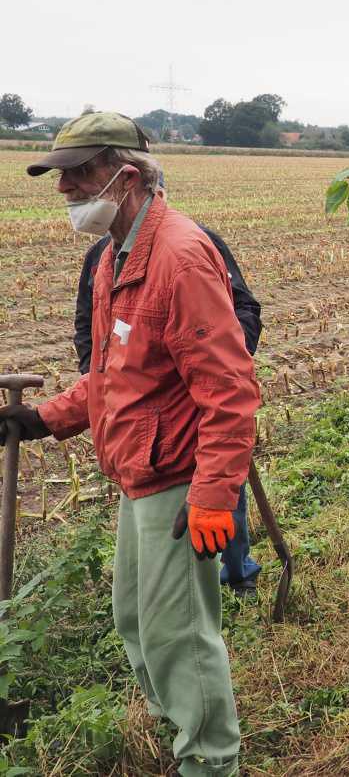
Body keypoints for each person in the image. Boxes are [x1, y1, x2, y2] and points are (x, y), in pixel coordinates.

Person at [0, 112, 258, 776]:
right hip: (138, 475)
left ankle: (209, 762)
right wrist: (46, 419)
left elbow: (229, 390)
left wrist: (212, 496)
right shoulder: (115, 255)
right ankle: (186, 735)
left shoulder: (178, 256)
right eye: (61, 174)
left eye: (80, 172)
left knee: (178, 635)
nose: (64, 188)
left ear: (130, 175)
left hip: (176, 477)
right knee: (136, 625)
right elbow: (117, 374)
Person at [74, 173, 263, 594]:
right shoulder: (103, 257)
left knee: (219, 495)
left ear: (141, 188)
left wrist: (206, 365)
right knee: (151, 607)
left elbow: (245, 312)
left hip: (190, 421)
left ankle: (240, 573)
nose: (65, 187)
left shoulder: (191, 248)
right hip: (140, 435)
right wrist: (96, 384)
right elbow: (91, 329)